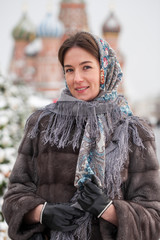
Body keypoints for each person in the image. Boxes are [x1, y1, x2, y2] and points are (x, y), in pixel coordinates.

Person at [2, 31, 160, 240]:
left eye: (86, 67)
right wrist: (42, 213)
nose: (77, 79)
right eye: (69, 70)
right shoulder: (43, 124)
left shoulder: (133, 132)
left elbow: (154, 219)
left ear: (104, 70)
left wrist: (108, 210)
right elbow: (13, 198)